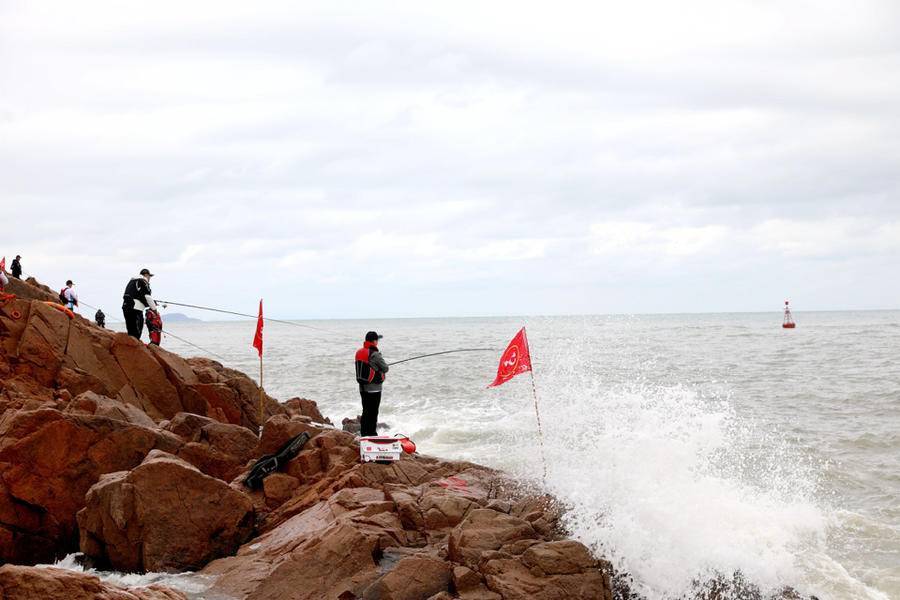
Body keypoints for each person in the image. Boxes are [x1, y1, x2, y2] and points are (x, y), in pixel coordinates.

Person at [355, 331, 389, 437]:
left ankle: (364, 433)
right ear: (374, 341)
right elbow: (385, 368)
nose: (377, 342)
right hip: (374, 388)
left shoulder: (359, 352)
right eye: (377, 340)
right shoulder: (375, 354)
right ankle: (372, 434)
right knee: (373, 412)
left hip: (362, 387)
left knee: (366, 411)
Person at [122, 268, 158, 340]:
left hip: (126, 307)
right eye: (149, 276)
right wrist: (154, 310)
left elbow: (138, 295)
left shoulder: (132, 281)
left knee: (131, 331)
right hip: (136, 310)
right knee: (136, 333)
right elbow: (147, 296)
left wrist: (152, 303)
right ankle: (134, 348)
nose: (149, 278)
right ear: (146, 275)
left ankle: (130, 347)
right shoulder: (143, 281)